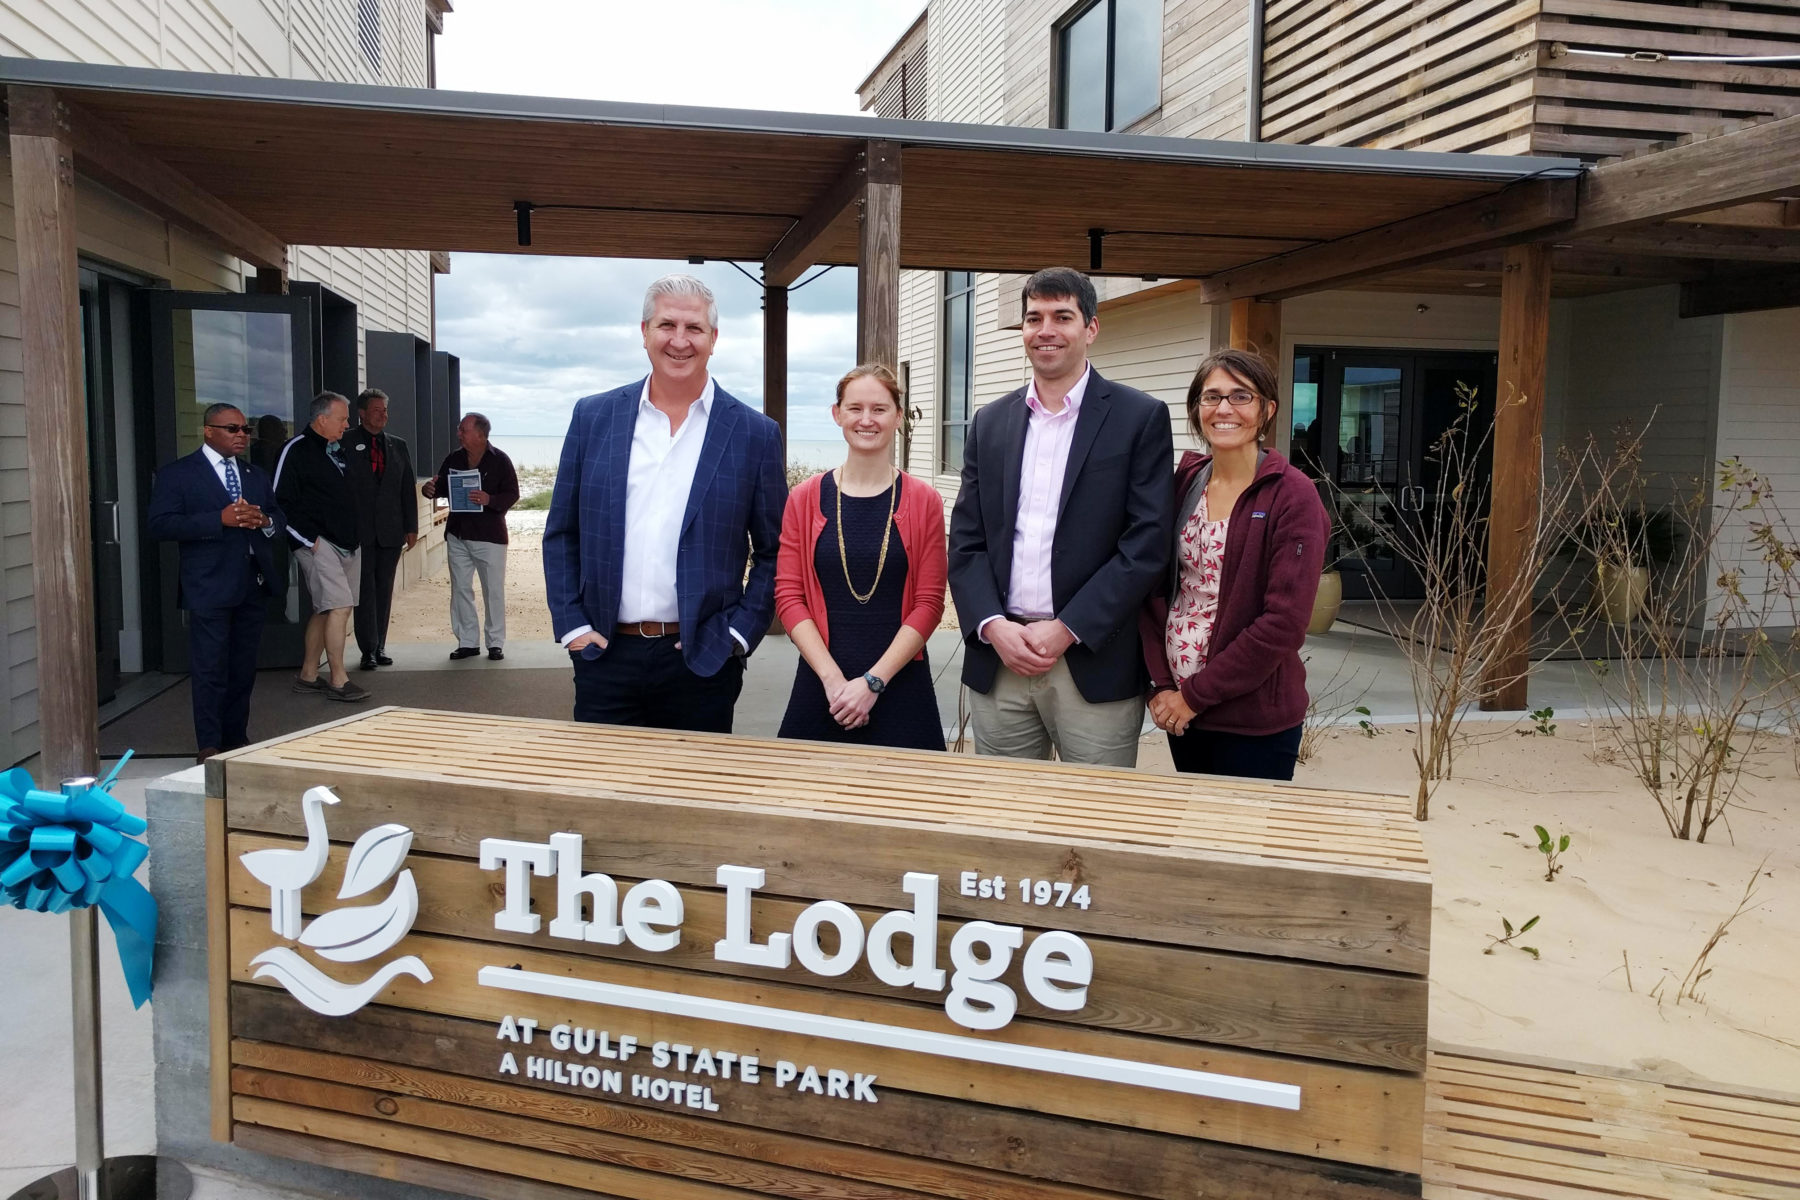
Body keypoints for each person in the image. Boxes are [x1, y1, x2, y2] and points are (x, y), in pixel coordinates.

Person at [947, 267, 1174, 767]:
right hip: (1000, 659)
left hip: (1092, 662)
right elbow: (966, 541)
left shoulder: (1139, 418)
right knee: (1005, 820)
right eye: (1034, 318)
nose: (1045, 329)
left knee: (1094, 823)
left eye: (1062, 316)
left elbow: (1147, 543)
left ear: (1091, 328)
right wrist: (991, 625)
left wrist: (1068, 627)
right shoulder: (989, 423)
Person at [543, 273, 786, 732]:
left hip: (703, 661)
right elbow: (562, 533)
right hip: (605, 655)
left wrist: (738, 634)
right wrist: (572, 626)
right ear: (644, 333)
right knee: (602, 797)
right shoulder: (593, 417)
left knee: (692, 798)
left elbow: (776, 550)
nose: (679, 341)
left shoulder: (755, 434)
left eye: (694, 328)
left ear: (714, 339)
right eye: (666, 325)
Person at [1141, 348, 1328, 781]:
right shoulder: (1186, 482)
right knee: (1197, 834)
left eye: (1241, 396)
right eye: (1212, 397)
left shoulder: (1291, 495)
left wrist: (1194, 695)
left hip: (1251, 718)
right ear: (1196, 409)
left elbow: (1283, 623)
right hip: (1181, 710)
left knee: (1243, 842)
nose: (1224, 409)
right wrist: (1162, 686)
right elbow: (1156, 592)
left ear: (1267, 410)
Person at [775, 365, 946, 750]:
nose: (866, 420)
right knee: (804, 798)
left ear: (898, 417)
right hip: (822, 684)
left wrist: (873, 682)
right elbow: (789, 597)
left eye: (879, 409)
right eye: (855, 408)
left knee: (910, 803)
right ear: (837, 414)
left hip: (902, 684)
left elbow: (930, 603)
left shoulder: (923, 501)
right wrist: (835, 683)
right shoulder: (804, 499)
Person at [147, 404, 285, 759]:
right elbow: (160, 524)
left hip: (251, 584)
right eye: (232, 429)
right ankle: (209, 744)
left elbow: (277, 516)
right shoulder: (178, 474)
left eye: (245, 430)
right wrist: (218, 519)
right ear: (208, 431)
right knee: (210, 669)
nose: (241, 435)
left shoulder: (254, 474)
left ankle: (235, 739)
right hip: (207, 585)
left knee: (242, 669)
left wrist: (264, 522)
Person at [274, 391, 371, 703]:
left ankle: (307, 674)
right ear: (321, 419)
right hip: (316, 541)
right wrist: (308, 540)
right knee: (340, 606)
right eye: (342, 419)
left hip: (347, 541)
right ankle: (339, 679)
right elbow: (279, 501)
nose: (347, 424)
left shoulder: (337, 448)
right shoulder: (295, 450)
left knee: (326, 608)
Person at [422, 413, 519, 661]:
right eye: (459, 429)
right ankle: (467, 642)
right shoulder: (454, 458)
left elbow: (513, 494)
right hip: (458, 534)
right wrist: (429, 489)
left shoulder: (501, 460)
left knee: (493, 591)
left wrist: (490, 500)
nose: (458, 433)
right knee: (461, 589)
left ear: (480, 434)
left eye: (463, 430)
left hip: (489, 537)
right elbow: (440, 486)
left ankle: (495, 643)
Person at [345, 388, 418, 671]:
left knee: (384, 590)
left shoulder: (397, 445)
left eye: (385, 410)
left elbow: (406, 489)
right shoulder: (346, 442)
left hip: (391, 531)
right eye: (377, 410)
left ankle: (380, 645)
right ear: (362, 413)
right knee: (365, 591)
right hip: (359, 532)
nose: (383, 415)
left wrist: (411, 528)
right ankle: (368, 650)